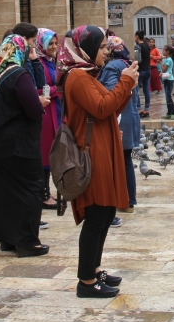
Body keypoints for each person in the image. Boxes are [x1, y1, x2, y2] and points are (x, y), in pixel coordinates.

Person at [58, 26, 138, 298]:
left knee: (105, 213)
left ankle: (94, 269)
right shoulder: (78, 77)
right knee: (96, 215)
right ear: (86, 48)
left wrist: (128, 86)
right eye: (102, 47)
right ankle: (86, 281)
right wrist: (125, 81)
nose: (106, 51)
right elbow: (102, 107)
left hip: (103, 148)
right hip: (93, 153)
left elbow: (109, 106)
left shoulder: (87, 74)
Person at [0, 34, 50, 257]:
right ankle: (28, 242)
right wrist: (41, 103)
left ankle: (7, 238)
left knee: (2, 192)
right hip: (17, 145)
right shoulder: (18, 75)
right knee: (28, 190)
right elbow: (33, 109)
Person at [99, 35, 139, 216]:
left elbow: (111, 92)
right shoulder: (127, 64)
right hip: (130, 115)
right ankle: (128, 200)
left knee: (120, 159)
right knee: (126, 159)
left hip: (119, 117)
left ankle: (122, 200)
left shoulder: (112, 66)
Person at [36, 28, 60, 211]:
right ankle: (43, 193)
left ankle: (46, 189)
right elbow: (39, 89)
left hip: (56, 109)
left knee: (52, 151)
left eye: (54, 43)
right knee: (45, 152)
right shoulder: (39, 64)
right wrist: (57, 90)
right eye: (49, 44)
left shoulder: (51, 61)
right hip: (46, 110)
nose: (53, 47)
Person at [134, 30, 151, 117]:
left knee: (136, 90)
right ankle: (147, 109)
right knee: (146, 90)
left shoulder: (138, 47)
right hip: (148, 69)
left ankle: (139, 108)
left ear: (137, 36)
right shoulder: (147, 46)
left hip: (140, 71)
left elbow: (138, 60)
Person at [161, 45, 174, 120]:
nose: (163, 52)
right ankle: (169, 112)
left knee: (168, 97)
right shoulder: (167, 59)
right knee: (167, 97)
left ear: (167, 52)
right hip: (166, 78)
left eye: (164, 50)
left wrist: (160, 62)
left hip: (169, 79)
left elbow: (164, 69)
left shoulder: (168, 60)